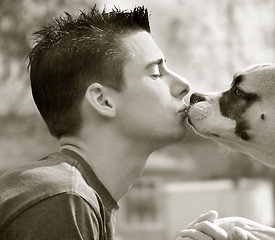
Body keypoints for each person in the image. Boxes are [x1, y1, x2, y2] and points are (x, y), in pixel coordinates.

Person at [0, 5, 191, 240]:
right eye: (155, 73)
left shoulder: (73, 197)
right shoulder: (62, 199)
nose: (184, 85)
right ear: (103, 100)